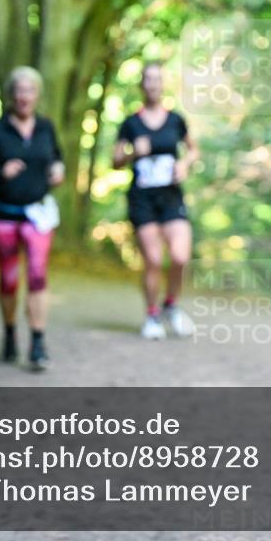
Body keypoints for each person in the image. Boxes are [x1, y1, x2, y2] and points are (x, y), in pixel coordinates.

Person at [0, 66, 64, 371]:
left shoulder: (46, 128)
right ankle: (10, 332)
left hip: (38, 214)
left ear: (37, 95)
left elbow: (57, 157)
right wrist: (1, 171)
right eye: (19, 90)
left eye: (30, 90)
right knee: (9, 279)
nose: (24, 96)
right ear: (11, 95)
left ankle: (37, 342)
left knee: (37, 274)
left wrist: (58, 170)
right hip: (4, 215)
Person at [112, 62, 200, 340]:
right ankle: (151, 315)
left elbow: (193, 150)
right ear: (141, 84)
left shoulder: (176, 120)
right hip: (143, 199)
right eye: (148, 79)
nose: (152, 84)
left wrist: (184, 164)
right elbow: (115, 161)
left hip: (171, 196)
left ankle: (171, 305)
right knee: (152, 259)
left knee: (180, 257)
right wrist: (132, 153)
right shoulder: (131, 123)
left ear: (163, 84)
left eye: (157, 79)